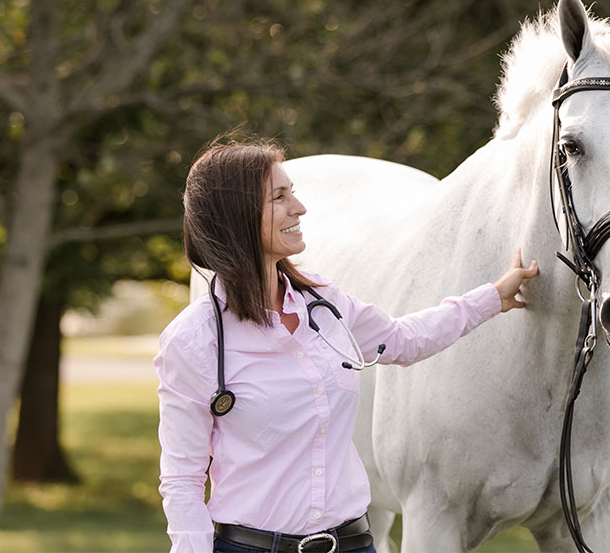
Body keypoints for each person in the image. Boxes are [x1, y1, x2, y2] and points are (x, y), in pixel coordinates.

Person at [155, 141, 540, 553]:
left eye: (293, 192)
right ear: (238, 218)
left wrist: (491, 298)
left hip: (353, 543)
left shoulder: (324, 302)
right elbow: (182, 479)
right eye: (279, 197)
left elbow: (402, 339)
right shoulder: (194, 342)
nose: (299, 207)